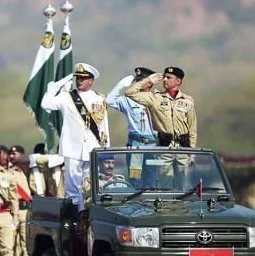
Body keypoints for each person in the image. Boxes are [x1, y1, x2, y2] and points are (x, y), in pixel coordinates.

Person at [41, 63, 110, 212]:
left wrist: (106, 148)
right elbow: (46, 104)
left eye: (83, 78)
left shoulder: (99, 98)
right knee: (72, 184)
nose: (79, 81)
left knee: (89, 184)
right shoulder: (67, 97)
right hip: (72, 147)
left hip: (93, 147)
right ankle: (75, 213)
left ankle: (87, 211)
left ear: (91, 81)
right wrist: (53, 88)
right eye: (77, 78)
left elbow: (104, 125)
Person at [125, 66, 197, 189]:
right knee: (165, 186)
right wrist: (148, 80)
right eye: (164, 77)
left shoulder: (187, 101)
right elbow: (129, 93)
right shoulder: (155, 98)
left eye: (168, 77)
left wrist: (192, 152)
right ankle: (167, 208)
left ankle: (180, 208)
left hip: (183, 150)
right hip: (164, 149)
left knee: (183, 187)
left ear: (178, 81)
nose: (164, 80)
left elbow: (192, 128)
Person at [107, 67, 158, 185]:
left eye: (142, 81)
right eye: (138, 81)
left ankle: (149, 203)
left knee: (152, 178)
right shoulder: (128, 100)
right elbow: (109, 100)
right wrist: (120, 85)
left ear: (150, 84)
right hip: (136, 146)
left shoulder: (156, 99)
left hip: (153, 145)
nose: (138, 84)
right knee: (135, 178)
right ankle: (137, 203)